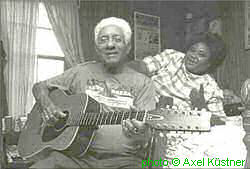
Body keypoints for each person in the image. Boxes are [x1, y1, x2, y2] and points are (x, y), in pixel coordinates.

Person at [29, 17, 156, 169]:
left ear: (127, 47)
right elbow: (39, 87)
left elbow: (146, 134)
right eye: (103, 40)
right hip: (74, 158)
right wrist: (46, 104)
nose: (110, 45)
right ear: (97, 49)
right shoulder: (81, 71)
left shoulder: (144, 83)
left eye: (117, 39)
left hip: (124, 161)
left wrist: (140, 131)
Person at [128, 33, 228, 167]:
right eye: (192, 50)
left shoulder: (211, 88)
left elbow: (220, 123)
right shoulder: (172, 57)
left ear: (211, 63)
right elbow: (143, 66)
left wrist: (201, 106)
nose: (193, 56)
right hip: (141, 110)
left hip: (168, 133)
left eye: (201, 54)